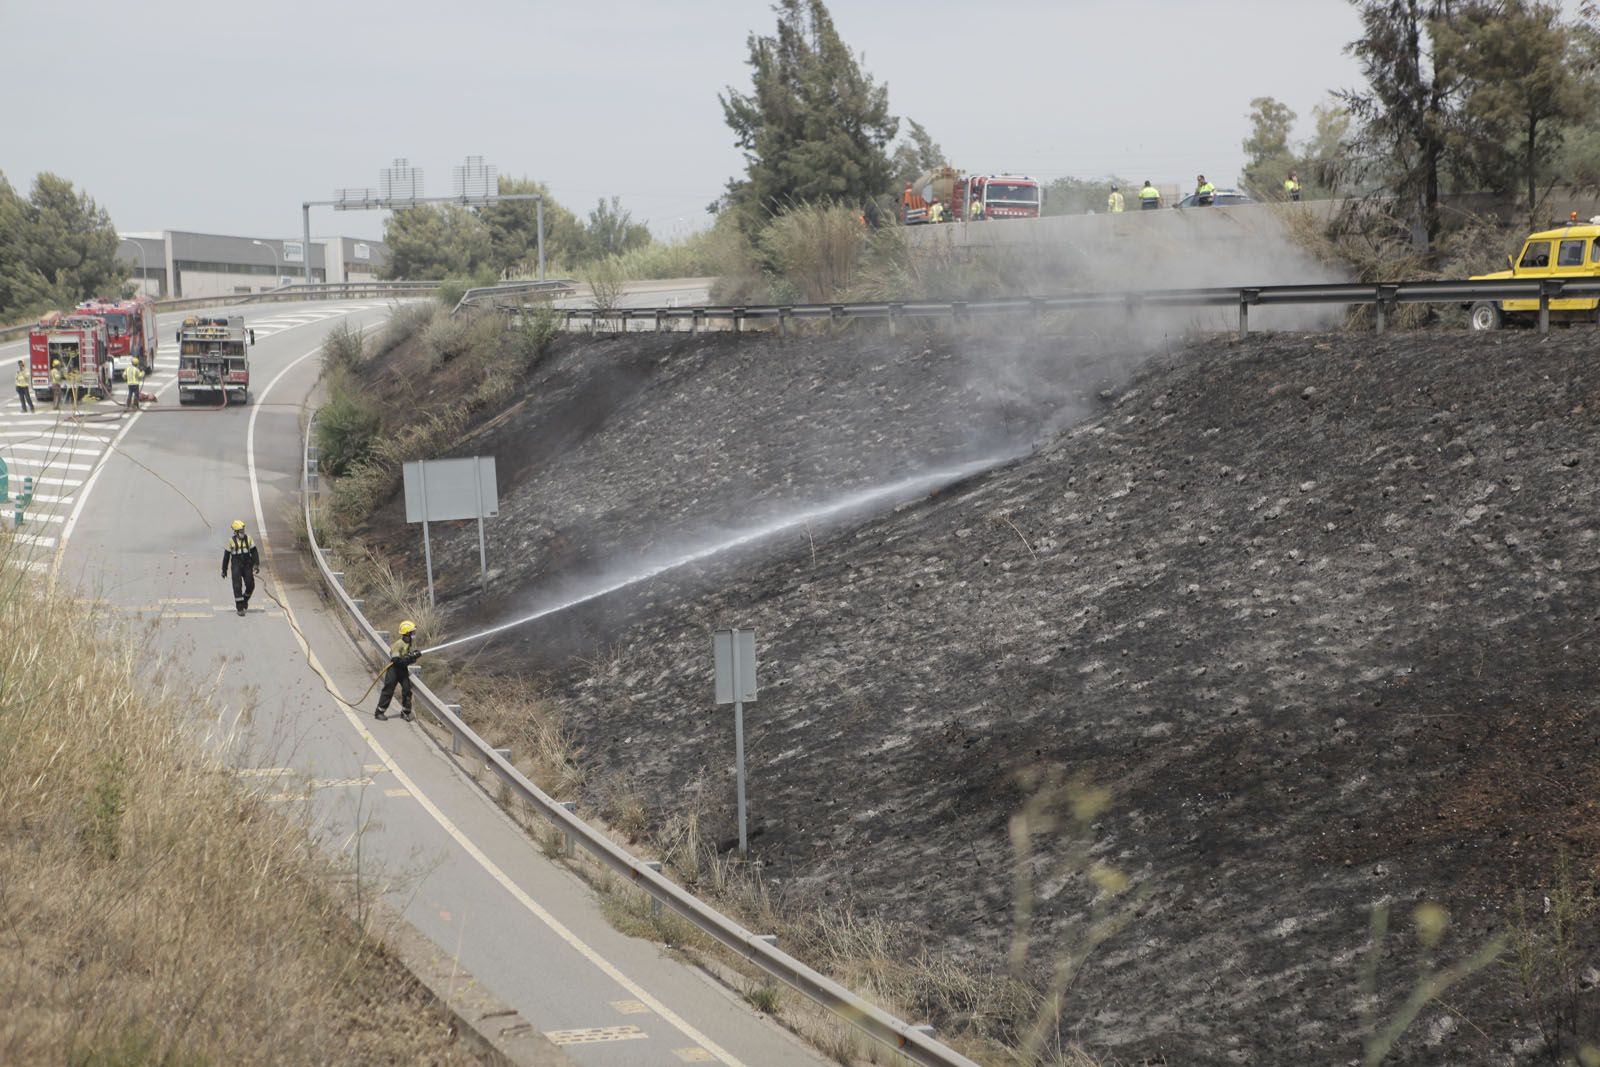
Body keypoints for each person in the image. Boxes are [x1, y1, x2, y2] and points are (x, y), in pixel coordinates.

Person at [375, 620, 421, 721]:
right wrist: (408, 658)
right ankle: (379, 711)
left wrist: (415, 655)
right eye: (412, 632)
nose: (414, 634)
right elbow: (395, 660)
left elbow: (411, 656)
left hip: (402, 670)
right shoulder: (398, 644)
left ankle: (405, 712)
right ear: (407, 633)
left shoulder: (411, 643)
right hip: (394, 670)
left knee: (407, 690)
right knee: (388, 690)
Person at [220, 519, 259, 616]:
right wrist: (224, 570)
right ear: (236, 532)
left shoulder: (249, 539)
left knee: (250, 584)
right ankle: (240, 607)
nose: (243, 532)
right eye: (240, 531)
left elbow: (254, 552)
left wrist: (256, 565)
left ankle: (245, 600)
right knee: (237, 586)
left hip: (247, 565)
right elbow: (226, 557)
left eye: (243, 530)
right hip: (236, 564)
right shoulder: (230, 541)